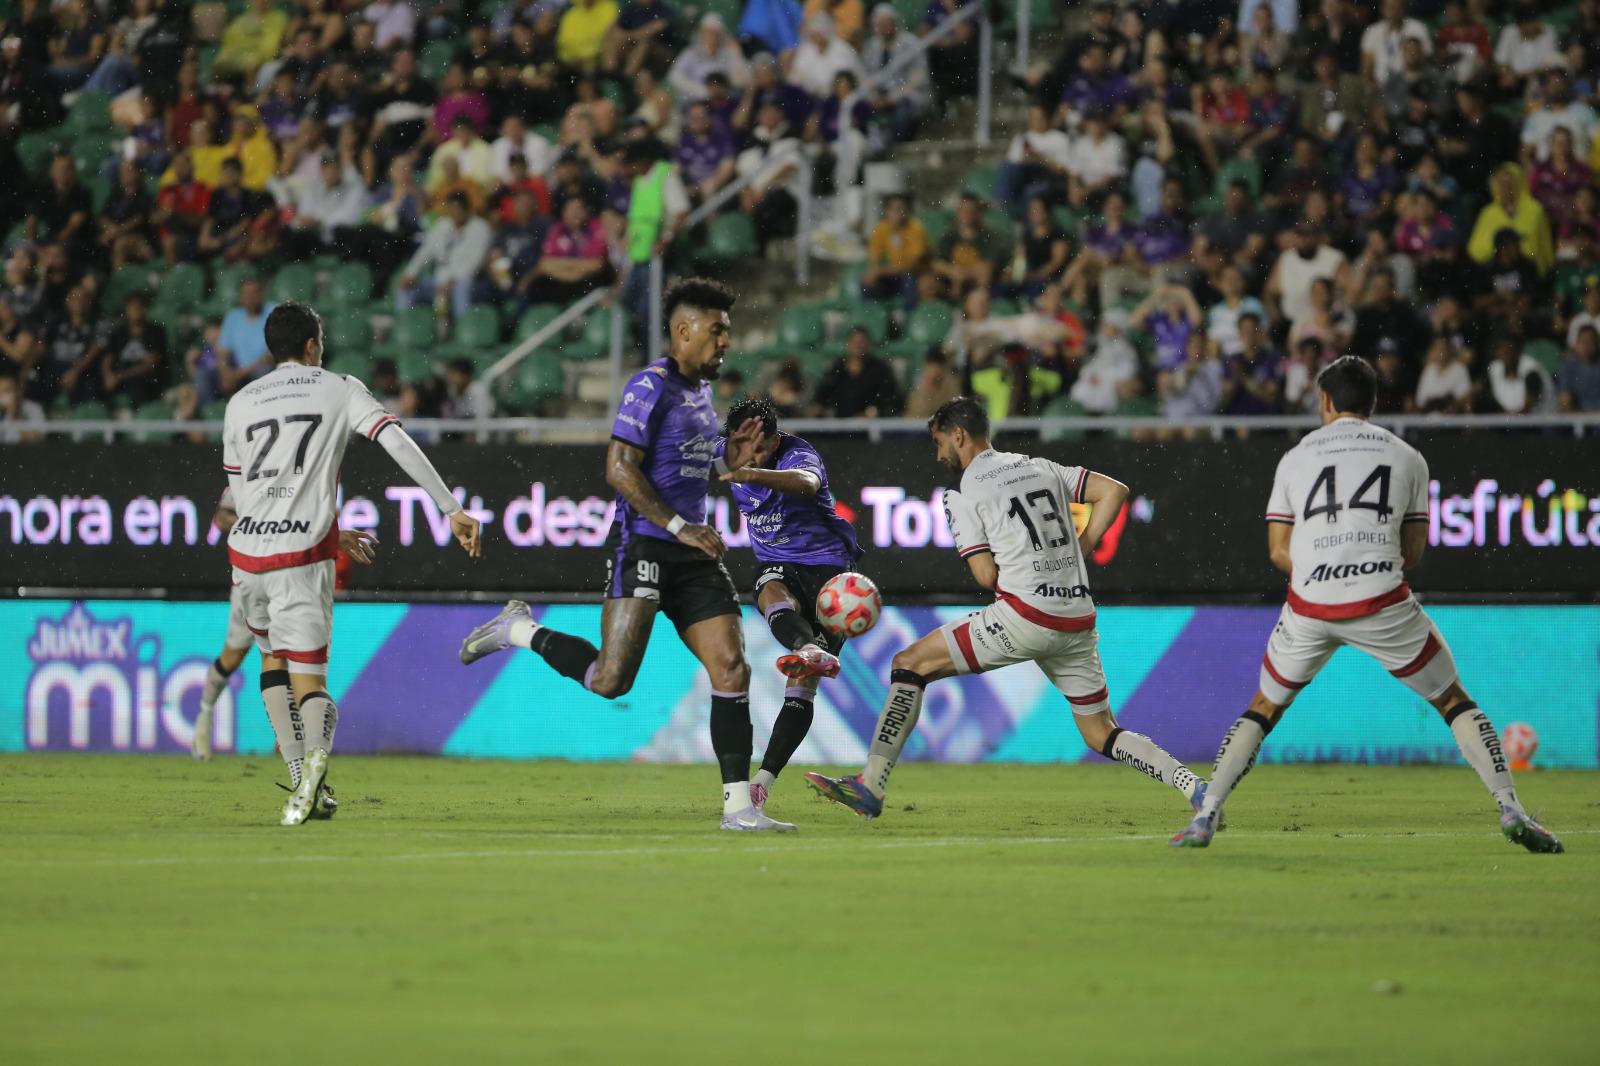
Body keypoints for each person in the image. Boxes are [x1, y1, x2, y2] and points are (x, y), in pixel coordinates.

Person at [1172, 357, 1563, 854]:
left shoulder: (1294, 457)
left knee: (1264, 708)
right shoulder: (1408, 457)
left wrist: (1323, 571)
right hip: (1382, 600)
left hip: (1310, 604)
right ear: (1373, 404)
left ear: (1326, 402)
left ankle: (1206, 816)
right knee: (1452, 700)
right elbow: (1414, 552)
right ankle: (1511, 808)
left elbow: (1277, 550)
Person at [459, 279, 781, 832]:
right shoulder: (649, 386)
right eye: (717, 329)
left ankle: (738, 808)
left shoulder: (704, 395)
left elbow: (701, 468)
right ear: (684, 331)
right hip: (647, 544)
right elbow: (618, 469)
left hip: (692, 550)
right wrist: (678, 525)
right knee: (611, 680)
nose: (726, 340)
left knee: (732, 666)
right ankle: (519, 630)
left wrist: (735, 461)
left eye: (727, 329)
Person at [805, 397, 1208, 819]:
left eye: (939, 441)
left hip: (1023, 616)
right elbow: (1114, 491)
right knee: (1100, 731)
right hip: (1076, 618)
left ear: (958, 435)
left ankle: (871, 785)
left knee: (910, 663)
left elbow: (985, 577)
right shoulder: (1039, 465)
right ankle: (1192, 785)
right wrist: (1082, 546)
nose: (939, 452)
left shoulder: (963, 492)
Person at [224, 302, 481, 825]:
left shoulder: (240, 401)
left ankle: (301, 779)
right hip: (301, 558)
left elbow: (246, 494)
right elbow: (396, 442)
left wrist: (330, 533)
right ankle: (314, 764)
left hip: (247, 556)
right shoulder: (337, 387)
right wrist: (450, 507)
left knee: (271, 659)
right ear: (313, 345)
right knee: (311, 683)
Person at [710, 395, 866, 819]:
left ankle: (763, 781)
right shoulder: (725, 451)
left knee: (802, 690)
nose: (744, 451)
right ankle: (806, 647)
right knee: (769, 588)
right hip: (781, 565)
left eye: (754, 444)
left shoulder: (798, 453)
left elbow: (807, 484)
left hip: (831, 571)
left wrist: (749, 471)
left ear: (770, 437)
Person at [190, 486, 377, 768]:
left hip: (291, 578)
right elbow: (221, 519)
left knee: (292, 657)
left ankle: (293, 743)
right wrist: (253, 525)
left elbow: (314, 522)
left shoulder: (302, 473)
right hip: (252, 580)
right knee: (235, 656)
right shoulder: (247, 474)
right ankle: (204, 718)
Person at [396, 191, 493, 321]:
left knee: (462, 287)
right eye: (451, 209)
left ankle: (462, 327)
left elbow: (476, 262)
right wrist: (410, 274)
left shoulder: (480, 228)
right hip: (439, 282)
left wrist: (452, 282)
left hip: (468, 282)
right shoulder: (442, 225)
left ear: (467, 210)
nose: (454, 213)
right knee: (407, 288)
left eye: (457, 209)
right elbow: (425, 252)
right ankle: (403, 325)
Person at [812, 326, 902, 417]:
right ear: (848, 344)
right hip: (839, 424)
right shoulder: (837, 369)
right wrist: (818, 408)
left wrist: (871, 413)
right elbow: (823, 396)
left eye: (862, 342)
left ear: (869, 345)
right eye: (854, 342)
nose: (858, 345)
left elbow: (889, 400)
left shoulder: (880, 370)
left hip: (871, 426)